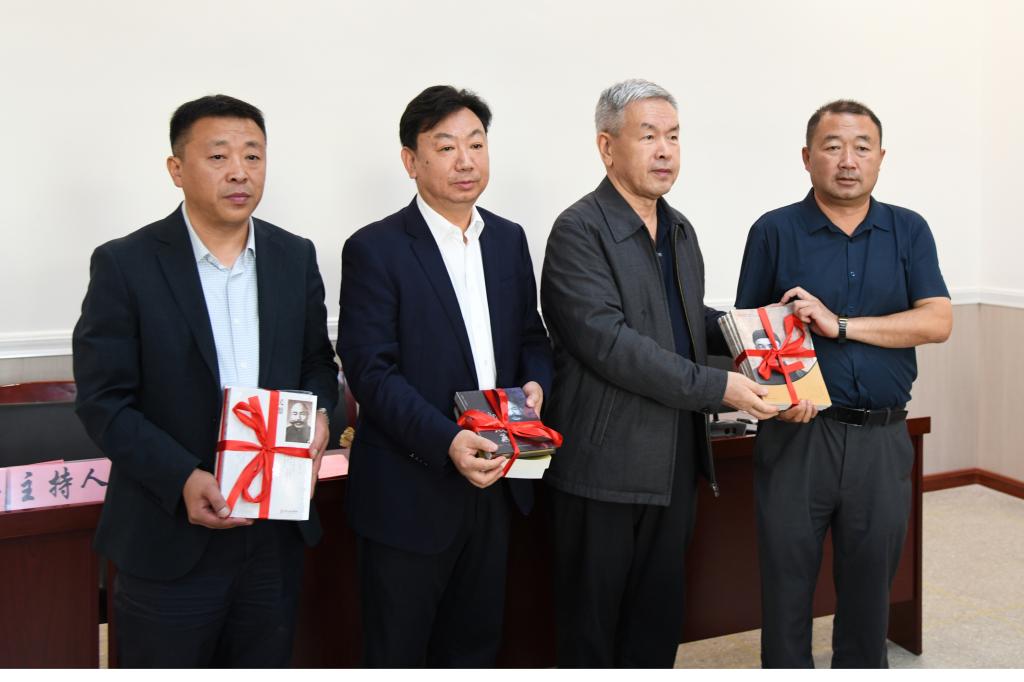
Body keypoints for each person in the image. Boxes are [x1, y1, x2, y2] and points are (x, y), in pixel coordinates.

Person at [73, 94, 338, 667]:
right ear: (176, 169)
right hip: (168, 537)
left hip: (273, 535)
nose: (240, 171)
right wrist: (182, 478)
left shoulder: (294, 256)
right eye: (218, 156)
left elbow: (318, 362)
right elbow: (103, 401)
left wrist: (319, 416)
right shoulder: (126, 264)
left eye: (253, 156)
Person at [539, 78, 778, 668]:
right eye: (648, 136)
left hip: (673, 464)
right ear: (606, 147)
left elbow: (688, 321)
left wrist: (761, 335)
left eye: (673, 136)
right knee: (592, 634)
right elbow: (611, 345)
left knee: (656, 625)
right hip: (602, 472)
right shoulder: (578, 230)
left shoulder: (680, 228)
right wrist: (719, 387)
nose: (665, 150)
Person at [336, 85, 552, 667]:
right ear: (411, 160)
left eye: (476, 144)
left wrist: (537, 385)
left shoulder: (507, 239)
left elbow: (531, 338)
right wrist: (448, 440)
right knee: (399, 655)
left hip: (497, 481)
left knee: (475, 650)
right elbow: (371, 372)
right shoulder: (375, 248)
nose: (465, 161)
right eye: (446, 146)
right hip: (409, 494)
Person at [735, 99, 952, 668]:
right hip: (797, 439)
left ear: (881, 157)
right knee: (786, 590)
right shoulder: (774, 231)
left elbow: (937, 321)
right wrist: (775, 401)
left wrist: (843, 325)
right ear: (807, 158)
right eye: (832, 147)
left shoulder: (909, 230)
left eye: (861, 147)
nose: (848, 160)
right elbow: (748, 336)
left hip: (881, 440)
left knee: (869, 595)